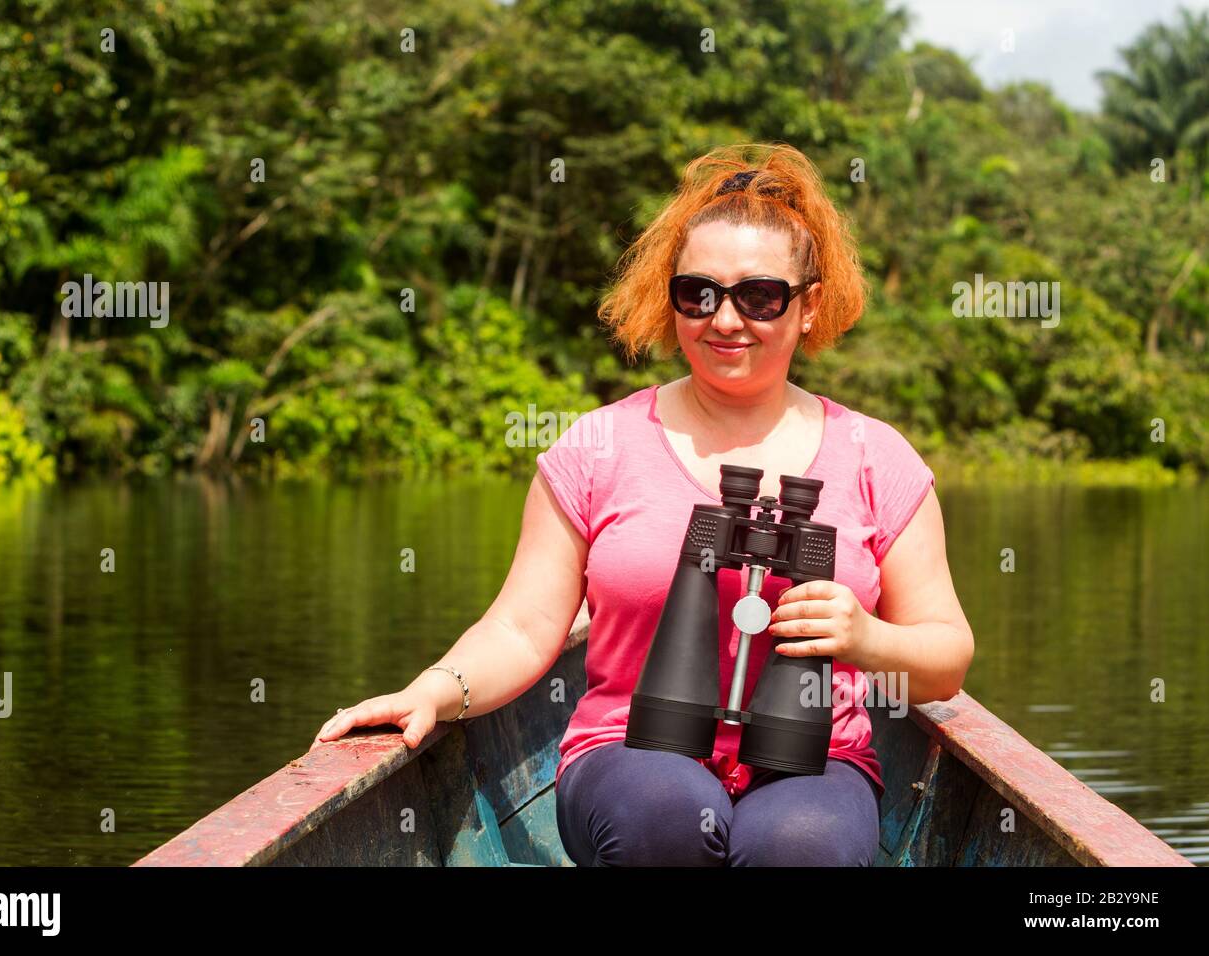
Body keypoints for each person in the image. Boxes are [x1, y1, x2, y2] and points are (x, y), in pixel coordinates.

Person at [313, 142, 974, 866]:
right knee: (666, 817)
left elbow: (945, 658)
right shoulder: (600, 446)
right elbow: (527, 626)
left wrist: (864, 638)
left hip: (813, 760)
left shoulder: (875, 456)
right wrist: (436, 690)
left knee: (800, 846)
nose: (725, 320)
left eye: (760, 296)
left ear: (809, 305)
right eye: (699, 293)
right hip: (629, 749)